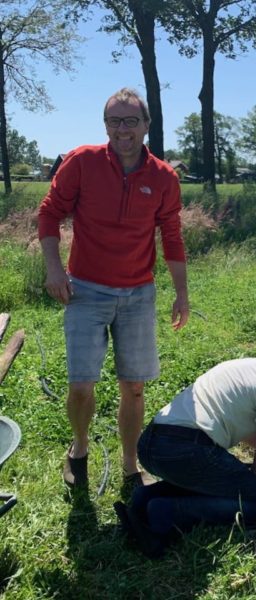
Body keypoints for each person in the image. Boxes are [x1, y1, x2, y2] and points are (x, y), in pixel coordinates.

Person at [38, 88, 189, 490]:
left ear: (146, 125)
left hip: (138, 294)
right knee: (81, 383)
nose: (122, 130)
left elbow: (171, 235)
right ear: (105, 125)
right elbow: (50, 213)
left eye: (130, 121)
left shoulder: (162, 177)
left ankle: (129, 464)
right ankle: (80, 447)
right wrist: (55, 269)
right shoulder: (82, 163)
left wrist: (181, 293)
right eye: (114, 121)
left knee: (134, 387)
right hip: (85, 291)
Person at [113, 337, 256, 558]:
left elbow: (253, 437)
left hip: (153, 445)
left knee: (229, 477)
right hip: (187, 451)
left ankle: (146, 496)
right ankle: (167, 512)